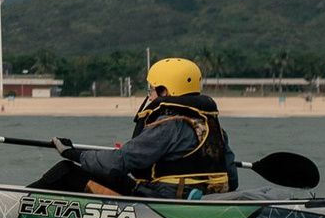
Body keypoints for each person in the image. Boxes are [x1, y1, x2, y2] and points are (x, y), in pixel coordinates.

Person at [33, 58, 239, 197]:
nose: (149, 95)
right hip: (198, 197)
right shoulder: (215, 129)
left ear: (165, 91)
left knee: (66, 171)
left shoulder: (168, 127)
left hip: (160, 200)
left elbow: (118, 162)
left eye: (151, 90)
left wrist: (72, 153)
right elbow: (233, 179)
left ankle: (18, 201)